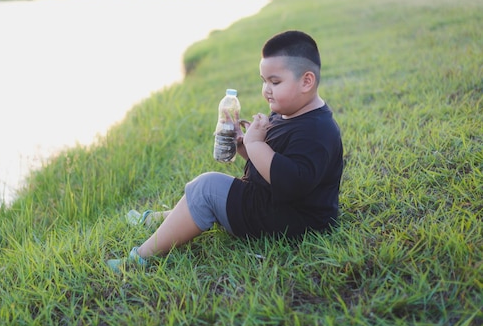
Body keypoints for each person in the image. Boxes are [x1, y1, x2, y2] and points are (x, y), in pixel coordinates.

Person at [107, 30, 344, 271]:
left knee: (207, 188)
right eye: (263, 81)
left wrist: (256, 144)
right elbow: (269, 167)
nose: (266, 90)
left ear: (306, 81)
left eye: (275, 82)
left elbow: (290, 182)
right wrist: (243, 145)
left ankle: (137, 260)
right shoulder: (288, 112)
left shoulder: (318, 131)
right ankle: (155, 221)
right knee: (209, 194)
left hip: (295, 222)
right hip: (278, 206)